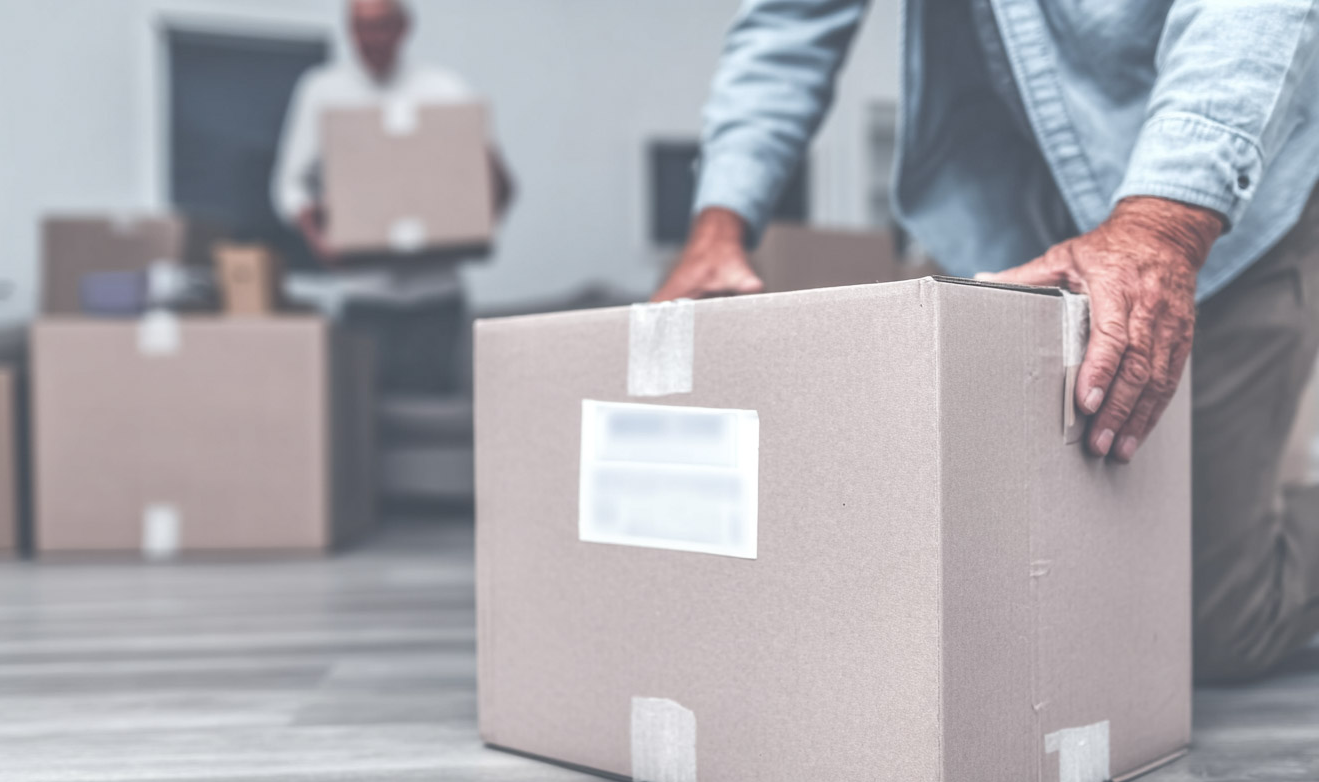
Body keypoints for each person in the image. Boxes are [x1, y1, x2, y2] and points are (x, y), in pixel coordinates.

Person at [654, 1, 1319, 683]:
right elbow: (789, 21)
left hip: (1221, 187)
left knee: (1213, 623)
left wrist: (1168, 221)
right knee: (1022, 577)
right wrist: (720, 220)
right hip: (1010, 201)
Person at [272, 0, 511, 393]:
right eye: (360, 27)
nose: (370, 39)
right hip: (365, 296)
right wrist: (316, 235)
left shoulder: (444, 89)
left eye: (381, 26)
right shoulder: (322, 91)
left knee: (434, 411)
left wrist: (480, 213)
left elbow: (492, 186)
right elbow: (289, 187)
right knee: (360, 422)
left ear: (404, 27)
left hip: (437, 297)